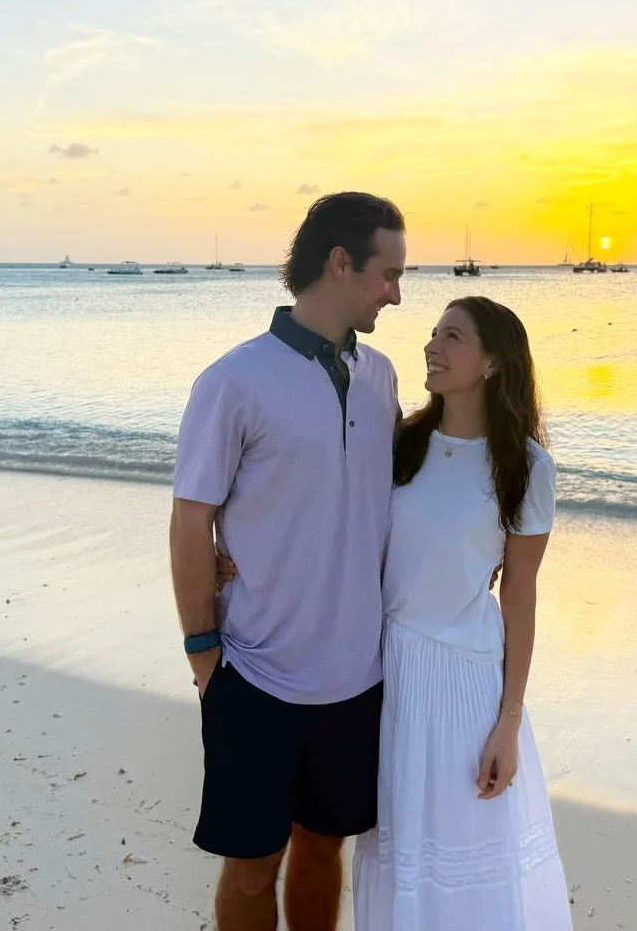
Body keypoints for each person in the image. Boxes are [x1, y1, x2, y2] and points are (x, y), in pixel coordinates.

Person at [221, 295, 573, 929]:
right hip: (382, 674)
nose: (432, 346)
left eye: (453, 337)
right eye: (434, 333)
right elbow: (331, 518)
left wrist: (508, 723)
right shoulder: (400, 443)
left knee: (464, 851)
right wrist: (243, 554)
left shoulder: (527, 467)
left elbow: (519, 595)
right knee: (393, 850)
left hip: (465, 684)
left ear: (493, 362)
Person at [169, 192, 406, 931]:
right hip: (256, 674)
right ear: (341, 264)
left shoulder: (382, 378)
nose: (397, 293)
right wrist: (204, 651)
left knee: (322, 851)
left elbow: (399, 494)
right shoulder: (235, 380)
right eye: (388, 273)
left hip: (356, 680)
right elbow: (188, 520)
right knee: (249, 869)